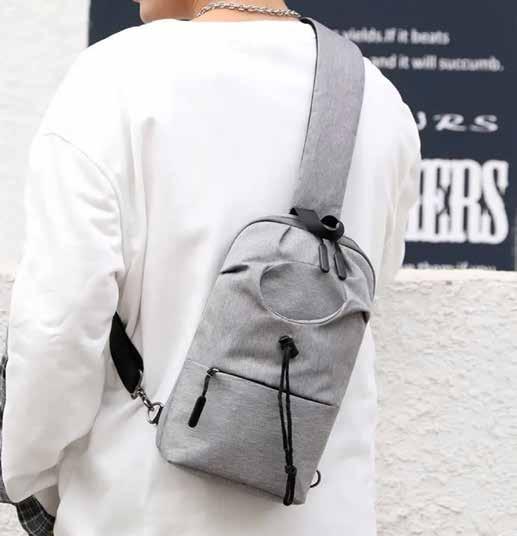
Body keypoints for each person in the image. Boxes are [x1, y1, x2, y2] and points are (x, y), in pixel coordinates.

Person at [0, 1, 421, 535]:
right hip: (323, 513)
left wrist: (31, 480)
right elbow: (366, 294)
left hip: (138, 512)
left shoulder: (115, 79)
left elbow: (57, 328)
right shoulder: (378, 101)